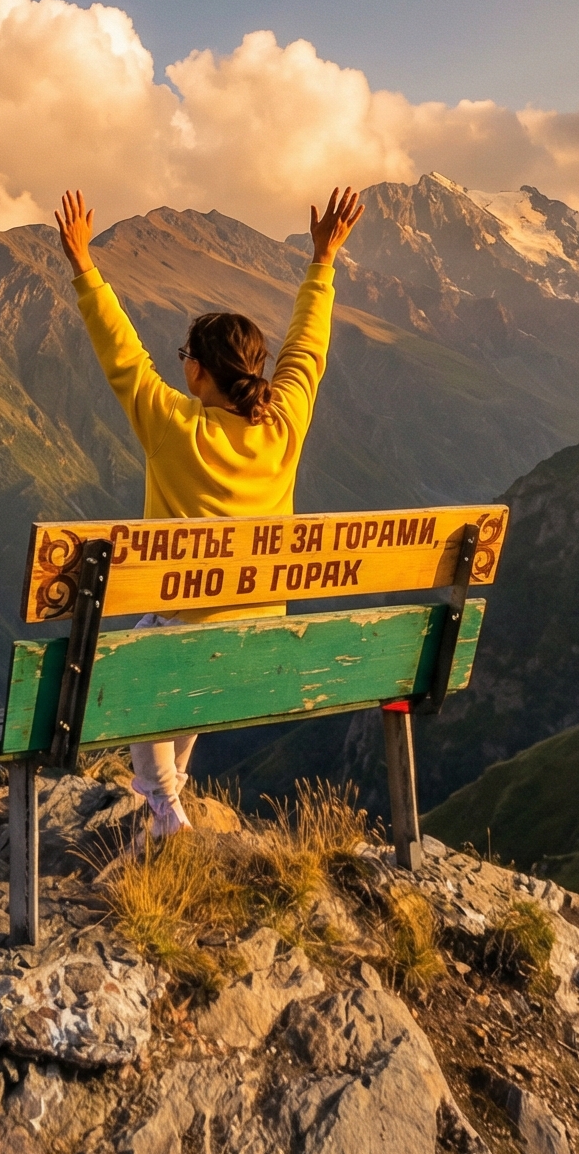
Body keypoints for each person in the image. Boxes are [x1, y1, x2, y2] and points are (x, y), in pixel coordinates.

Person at [56, 185, 364, 842]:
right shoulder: (284, 422)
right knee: (183, 651)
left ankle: (166, 809)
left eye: (184, 360)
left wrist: (84, 266)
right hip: (255, 618)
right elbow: (308, 349)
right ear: (256, 373)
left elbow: (122, 358)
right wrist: (323, 263)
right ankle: (168, 803)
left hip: (187, 612)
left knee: (135, 659)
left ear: (197, 373)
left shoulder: (173, 426)